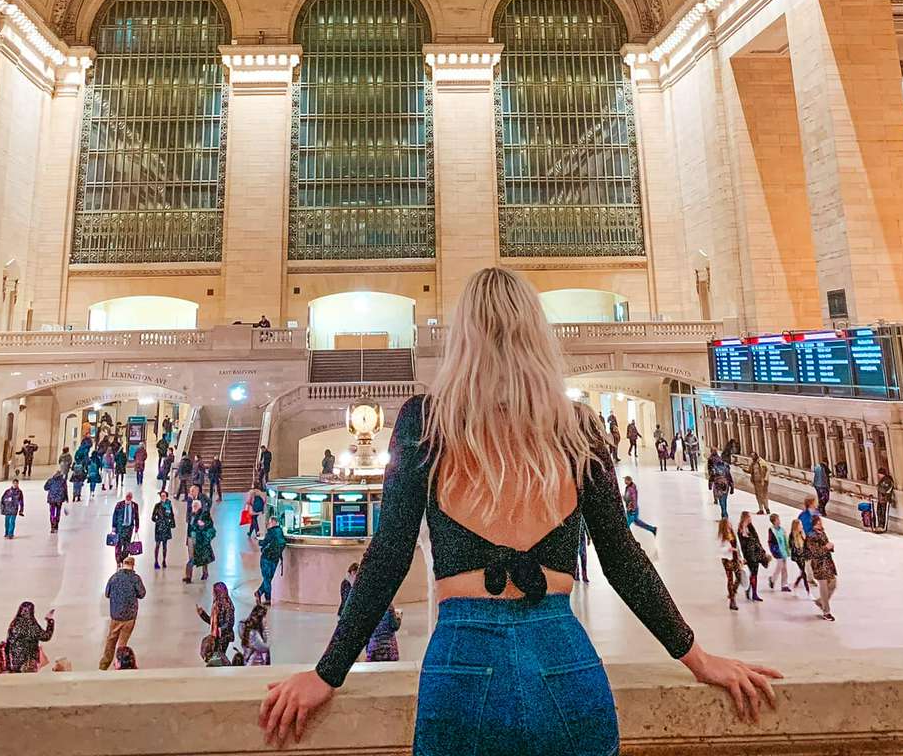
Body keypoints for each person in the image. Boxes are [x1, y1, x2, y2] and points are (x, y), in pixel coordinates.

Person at [260, 266, 780, 749]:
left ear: (463, 337)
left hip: (462, 663)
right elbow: (622, 558)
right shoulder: (578, 428)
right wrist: (698, 657)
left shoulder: (427, 421)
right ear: (537, 335)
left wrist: (326, 673)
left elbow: (389, 556)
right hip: (566, 662)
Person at [101, 557, 146, 671]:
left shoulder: (114, 578)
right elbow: (142, 594)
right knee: (122, 643)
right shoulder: (135, 578)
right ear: (133, 566)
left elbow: (107, 594)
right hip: (129, 616)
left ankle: (104, 665)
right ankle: (121, 665)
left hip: (115, 615)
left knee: (111, 640)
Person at [3, 600, 55, 672]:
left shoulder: (14, 624)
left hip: (15, 662)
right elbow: (46, 637)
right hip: (28, 662)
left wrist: (9, 664)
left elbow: (8, 644)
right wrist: (50, 621)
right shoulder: (31, 625)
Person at [804, 514, 837, 621]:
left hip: (827, 562)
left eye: (820, 522)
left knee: (832, 583)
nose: (820, 524)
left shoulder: (822, 532)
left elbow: (825, 545)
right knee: (823, 587)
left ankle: (820, 601)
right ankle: (826, 611)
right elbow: (815, 552)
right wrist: (826, 547)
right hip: (819, 564)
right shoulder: (811, 536)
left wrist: (830, 546)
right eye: (818, 522)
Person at [197, 581, 235, 663]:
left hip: (224, 637)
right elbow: (213, 622)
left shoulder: (228, 606)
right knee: (217, 657)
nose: (213, 594)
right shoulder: (217, 604)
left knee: (218, 656)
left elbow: (229, 623)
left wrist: (218, 631)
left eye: (214, 592)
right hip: (217, 636)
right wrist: (202, 614)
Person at [737, 511, 768, 603]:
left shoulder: (750, 527)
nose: (750, 519)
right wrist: (743, 557)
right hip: (748, 554)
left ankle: (753, 592)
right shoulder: (740, 529)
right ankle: (751, 591)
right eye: (749, 517)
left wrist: (761, 549)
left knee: (754, 573)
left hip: (755, 552)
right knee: (753, 573)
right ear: (745, 518)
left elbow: (756, 538)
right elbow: (742, 545)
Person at [184, 497, 215, 583]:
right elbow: (189, 528)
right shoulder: (191, 515)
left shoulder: (204, 514)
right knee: (191, 558)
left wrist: (203, 525)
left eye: (196, 506)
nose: (194, 507)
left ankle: (205, 573)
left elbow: (210, 524)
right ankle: (188, 576)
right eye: (193, 506)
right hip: (191, 538)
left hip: (200, 538)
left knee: (203, 556)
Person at [257, 514, 286, 604]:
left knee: (266, 578)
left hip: (266, 558)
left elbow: (263, 543)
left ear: (273, 522)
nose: (268, 524)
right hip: (275, 559)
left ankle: (267, 598)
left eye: (269, 522)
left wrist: (259, 540)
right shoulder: (280, 532)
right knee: (268, 578)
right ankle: (259, 592)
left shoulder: (271, 532)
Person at [716, 517, 742, 612]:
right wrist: (729, 549)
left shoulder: (732, 533)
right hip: (727, 559)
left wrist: (740, 557)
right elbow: (720, 549)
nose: (730, 524)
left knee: (739, 576)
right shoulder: (722, 536)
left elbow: (737, 546)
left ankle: (732, 591)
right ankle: (732, 600)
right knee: (730, 579)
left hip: (735, 558)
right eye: (728, 523)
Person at [112, 491, 140, 563]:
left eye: (130, 497)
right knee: (118, 544)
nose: (128, 498)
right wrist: (114, 527)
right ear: (125, 497)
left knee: (127, 545)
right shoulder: (119, 504)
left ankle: (124, 559)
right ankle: (118, 560)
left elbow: (137, 517)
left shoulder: (135, 505)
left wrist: (137, 526)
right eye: (127, 496)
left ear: (131, 498)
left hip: (129, 528)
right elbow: (115, 516)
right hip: (120, 528)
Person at [766, 513, 791, 592]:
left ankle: (784, 585)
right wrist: (774, 550)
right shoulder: (772, 530)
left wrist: (788, 549)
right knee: (779, 566)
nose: (779, 521)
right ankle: (772, 580)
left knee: (784, 568)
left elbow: (785, 539)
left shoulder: (782, 529)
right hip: (777, 551)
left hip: (783, 550)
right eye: (778, 519)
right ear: (774, 521)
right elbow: (770, 541)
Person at [152, 490, 176, 569]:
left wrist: (171, 523)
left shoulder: (169, 505)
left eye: (164, 496)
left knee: (165, 545)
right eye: (161, 496)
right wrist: (158, 521)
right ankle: (156, 561)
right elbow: (153, 517)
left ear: (166, 496)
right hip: (159, 527)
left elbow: (172, 515)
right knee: (158, 545)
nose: (163, 497)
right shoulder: (157, 505)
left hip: (166, 527)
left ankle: (164, 560)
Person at [788, 514, 811, 593]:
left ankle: (796, 583)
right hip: (797, 556)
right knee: (804, 573)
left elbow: (806, 544)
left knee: (803, 572)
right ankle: (808, 590)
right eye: (800, 525)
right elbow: (791, 546)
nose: (802, 526)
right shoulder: (792, 535)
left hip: (803, 555)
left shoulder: (802, 534)